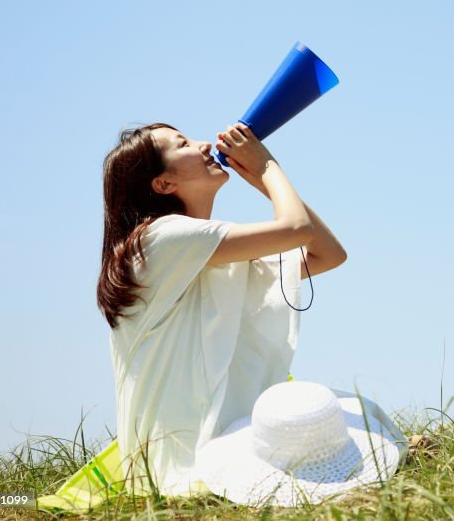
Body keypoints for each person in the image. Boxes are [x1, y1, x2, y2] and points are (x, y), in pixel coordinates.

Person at [97, 121, 349, 498]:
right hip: (182, 464)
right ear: (163, 183)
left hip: (227, 446)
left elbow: (328, 254)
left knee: (330, 413)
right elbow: (296, 229)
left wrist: (266, 179)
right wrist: (266, 169)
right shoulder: (160, 238)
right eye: (182, 144)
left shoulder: (209, 250)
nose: (203, 144)